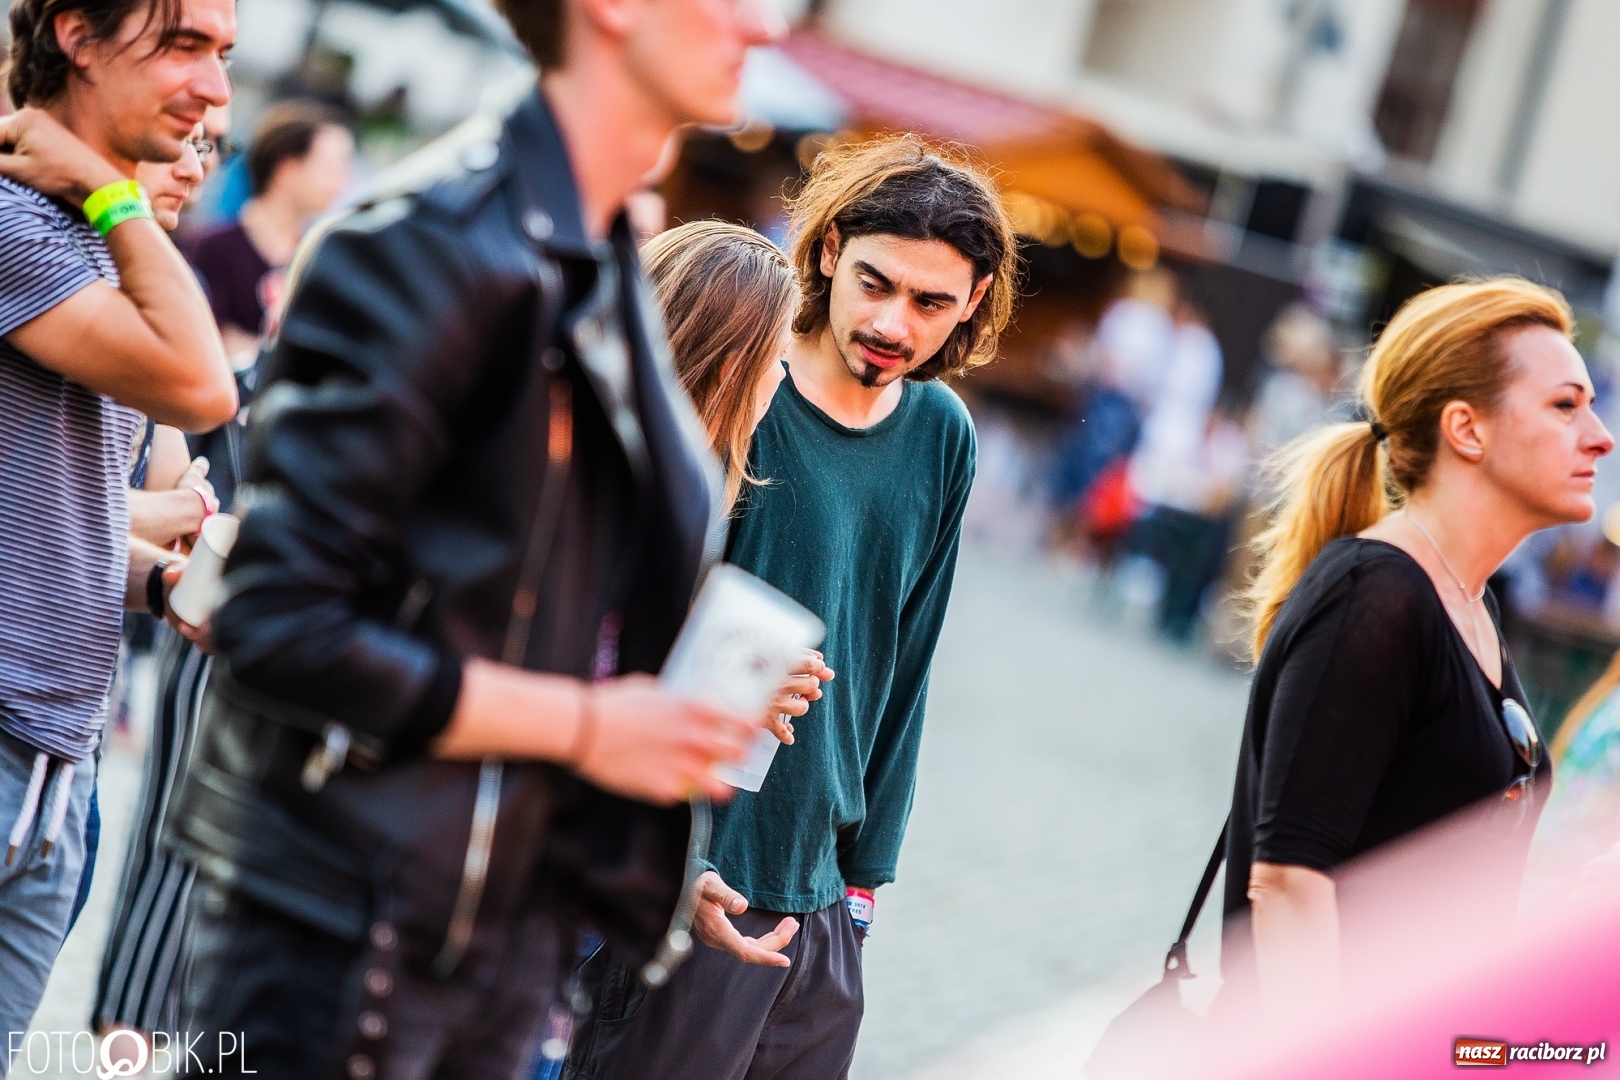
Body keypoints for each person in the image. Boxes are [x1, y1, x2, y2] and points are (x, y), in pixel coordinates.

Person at [164, 1, 783, 1077]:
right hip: (353, 948)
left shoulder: (600, 255)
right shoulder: (429, 241)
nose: (764, 27)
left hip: (497, 947)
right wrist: (592, 728)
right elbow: (274, 620)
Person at [568, 133, 1018, 1080]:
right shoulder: (741, 387)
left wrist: (862, 888)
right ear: (827, 251)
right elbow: (613, 612)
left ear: (973, 304)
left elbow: (908, 664)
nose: (895, 322)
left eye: (931, 302)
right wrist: (669, 852)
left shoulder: (942, 434)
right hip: (697, 869)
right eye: (876, 282)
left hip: (822, 901)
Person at [1225, 278, 1612, 1024]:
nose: (1600, 434)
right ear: (1467, 429)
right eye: (1565, 406)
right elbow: (1288, 885)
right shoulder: (1377, 595)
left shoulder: (1468, 602)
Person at [0, 0, 234, 1056]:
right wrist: (111, 192)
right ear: (76, 34)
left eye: (223, 54)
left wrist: (155, 585)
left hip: (57, 761)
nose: (213, 88)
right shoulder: (20, 225)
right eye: (183, 44)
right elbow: (202, 384)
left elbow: (40, 501)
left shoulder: (82, 239)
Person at [186, 101, 352, 356]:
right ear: (287, 168)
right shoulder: (214, 249)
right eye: (330, 166)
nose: (341, 181)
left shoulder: (321, 261)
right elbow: (204, 341)